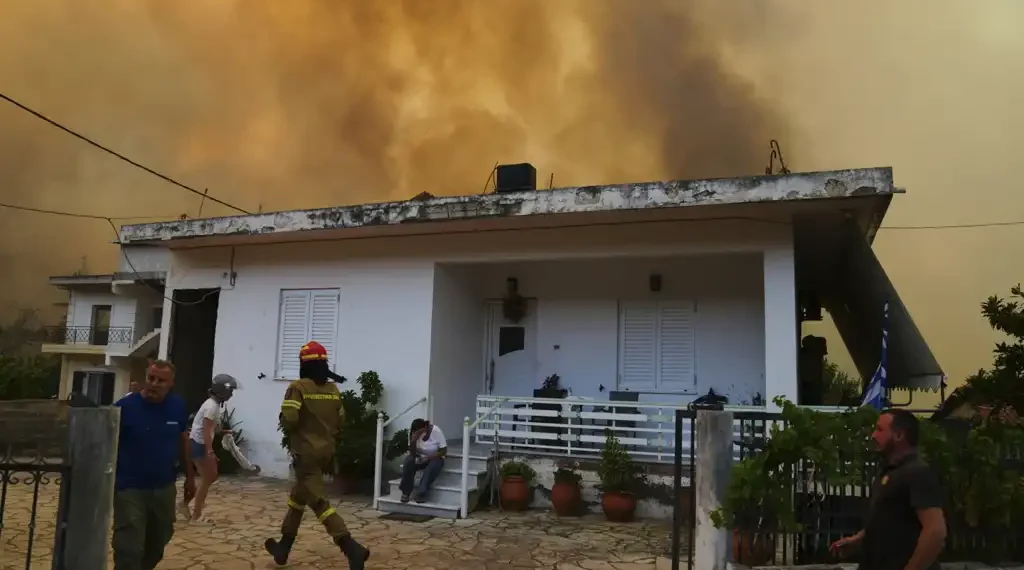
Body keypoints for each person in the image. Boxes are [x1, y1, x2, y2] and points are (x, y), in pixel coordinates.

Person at [264, 341, 370, 569]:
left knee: (319, 502)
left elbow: (290, 419)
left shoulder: (298, 387)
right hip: (325, 453)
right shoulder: (333, 389)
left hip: (305, 453)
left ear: (304, 364)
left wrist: (284, 419)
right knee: (297, 498)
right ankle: (283, 547)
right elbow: (340, 419)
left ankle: (351, 547)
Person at [830, 409, 946, 570]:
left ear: (899, 435)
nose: (873, 435)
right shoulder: (889, 472)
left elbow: (936, 532)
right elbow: (887, 520)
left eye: (880, 429)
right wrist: (857, 540)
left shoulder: (918, 473)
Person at [111, 359, 196, 570]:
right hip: (129, 487)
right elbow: (107, 445)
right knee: (129, 545)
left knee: (160, 538)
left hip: (163, 486)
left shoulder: (177, 406)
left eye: (161, 380)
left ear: (170, 384)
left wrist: (190, 477)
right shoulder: (124, 408)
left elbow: (183, 440)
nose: (154, 384)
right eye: (151, 378)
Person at [179, 373, 239, 524]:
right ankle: (196, 515)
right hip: (199, 444)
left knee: (209, 477)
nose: (232, 393)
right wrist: (209, 451)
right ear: (222, 391)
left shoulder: (212, 404)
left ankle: (186, 505)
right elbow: (205, 430)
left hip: (198, 443)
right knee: (208, 477)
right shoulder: (212, 406)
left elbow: (210, 428)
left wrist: (224, 432)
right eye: (230, 390)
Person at [399, 418, 447, 503]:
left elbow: (443, 451)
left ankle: (421, 493)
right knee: (408, 461)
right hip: (420, 457)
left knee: (432, 467)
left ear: (425, 427)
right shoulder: (412, 433)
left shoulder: (436, 431)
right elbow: (413, 453)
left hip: (435, 457)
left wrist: (428, 458)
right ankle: (406, 492)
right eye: (415, 431)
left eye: (419, 431)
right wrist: (413, 441)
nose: (417, 433)